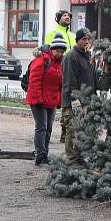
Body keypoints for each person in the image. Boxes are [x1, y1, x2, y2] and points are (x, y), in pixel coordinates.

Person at [26, 33, 67, 166]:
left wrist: (59, 101)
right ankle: (40, 155)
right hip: (38, 100)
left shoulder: (61, 64)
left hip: (52, 100)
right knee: (42, 127)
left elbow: (61, 85)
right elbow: (34, 81)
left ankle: (45, 154)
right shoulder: (42, 60)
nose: (60, 53)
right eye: (57, 51)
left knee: (49, 128)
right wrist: (38, 99)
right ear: (52, 49)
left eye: (62, 51)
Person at [61, 28, 96, 169]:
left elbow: (91, 78)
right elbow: (69, 80)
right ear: (78, 40)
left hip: (87, 101)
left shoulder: (87, 56)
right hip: (73, 102)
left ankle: (79, 157)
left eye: (88, 39)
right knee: (72, 130)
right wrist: (74, 100)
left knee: (83, 130)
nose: (86, 42)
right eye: (83, 39)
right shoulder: (71, 56)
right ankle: (71, 159)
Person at [44, 10, 76, 142]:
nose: (67, 17)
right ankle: (57, 130)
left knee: (68, 100)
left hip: (71, 71)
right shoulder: (52, 33)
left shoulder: (73, 35)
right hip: (58, 69)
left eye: (69, 16)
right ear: (58, 18)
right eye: (64, 15)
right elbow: (47, 50)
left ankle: (65, 131)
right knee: (61, 99)